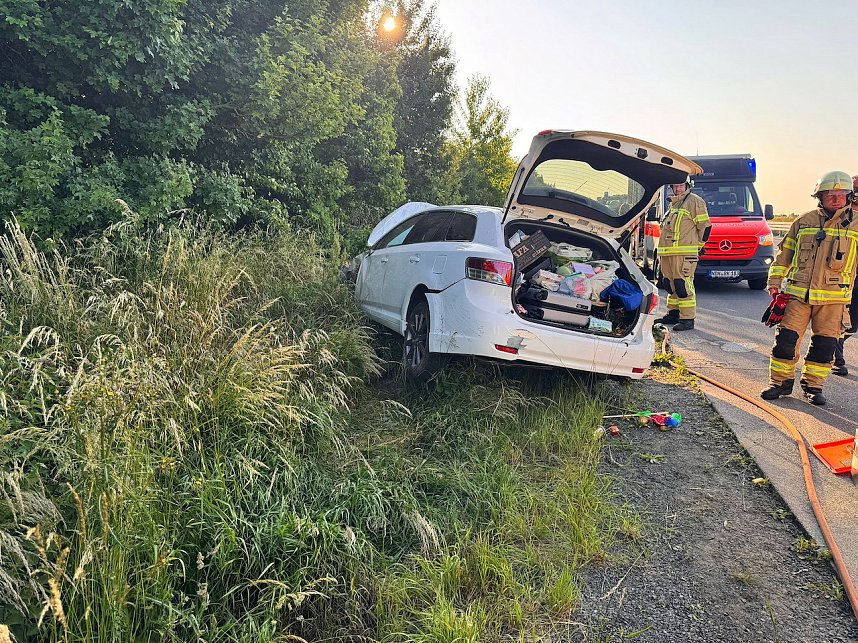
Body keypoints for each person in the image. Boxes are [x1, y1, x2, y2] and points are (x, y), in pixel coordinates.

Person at [761, 171, 858, 405]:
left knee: (824, 346)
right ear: (820, 197)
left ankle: (813, 386)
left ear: (849, 196)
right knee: (785, 341)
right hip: (797, 295)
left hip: (834, 300)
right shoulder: (803, 222)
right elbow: (783, 256)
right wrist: (774, 283)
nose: (836, 199)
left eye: (841, 195)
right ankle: (779, 383)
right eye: (830, 195)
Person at [654, 178, 711, 331]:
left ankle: (687, 319)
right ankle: (673, 314)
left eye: (681, 185)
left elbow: (705, 227)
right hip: (668, 253)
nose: (678, 189)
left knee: (683, 285)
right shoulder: (674, 204)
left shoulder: (694, 201)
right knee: (670, 285)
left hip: (684, 254)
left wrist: (699, 246)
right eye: (675, 186)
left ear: (687, 185)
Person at [832, 174, 858, 376]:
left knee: (853, 325)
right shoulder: (841, 219)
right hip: (844, 279)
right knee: (841, 320)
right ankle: (836, 356)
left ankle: (833, 343)